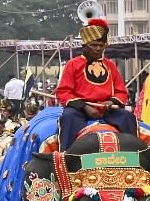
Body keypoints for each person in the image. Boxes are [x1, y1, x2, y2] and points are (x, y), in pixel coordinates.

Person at [55, 18, 138, 150]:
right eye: (94, 45)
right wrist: (85, 107)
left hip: (107, 110)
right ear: (85, 45)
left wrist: (110, 103)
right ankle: (66, 157)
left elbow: (121, 92)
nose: (98, 49)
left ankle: (136, 155)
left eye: (101, 45)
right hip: (80, 110)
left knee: (128, 117)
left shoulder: (110, 65)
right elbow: (63, 92)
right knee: (68, 117)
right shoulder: (73, 64)